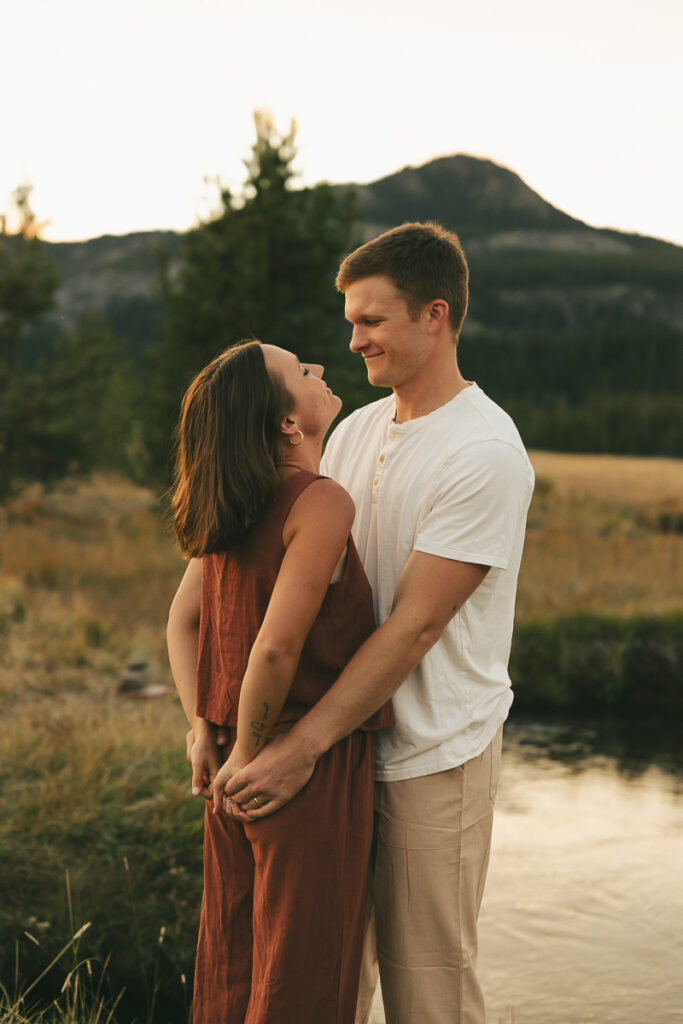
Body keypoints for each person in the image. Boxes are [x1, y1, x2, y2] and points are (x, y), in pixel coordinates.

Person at [224, 222, 535, 1024]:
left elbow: (414, 628)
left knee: (426, 989)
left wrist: (300, 745)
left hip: (432, 753)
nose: (352, 340)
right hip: (341, 752)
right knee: (330, 981)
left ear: (435, 316)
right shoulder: (357, 430)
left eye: (371, 321)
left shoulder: (484, 452)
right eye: (350, 321)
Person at [166, 339, 392, 1024]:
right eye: (300, 371)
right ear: (287, 423)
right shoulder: (318, 501)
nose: (319, 370)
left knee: (234, 963)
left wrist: (204, 731)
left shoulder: (233, 501)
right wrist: (247, 754)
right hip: (295, 768)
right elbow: (274, 649)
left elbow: (181, 624)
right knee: (301, 975)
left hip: (232, 760)